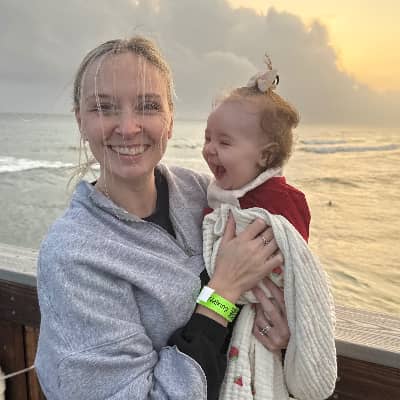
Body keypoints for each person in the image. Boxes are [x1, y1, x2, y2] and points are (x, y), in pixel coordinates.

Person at [34, 36, 290, 400]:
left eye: (148, 106)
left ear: (170, 120)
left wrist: (279, 332)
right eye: (104, 108)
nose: (128, 128)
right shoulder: (73, 256)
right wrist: (223, 292)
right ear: (81, 122)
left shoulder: (204, 194)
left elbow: (275, 277)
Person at [201, 58, 337, 400]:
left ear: (264, 157)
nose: (209, 149)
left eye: (224, 143)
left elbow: (296, 269)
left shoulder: (282, 201)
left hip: (258, 324)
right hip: (219, 321)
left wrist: (292, 323)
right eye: (207, 138)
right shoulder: (218, 197)